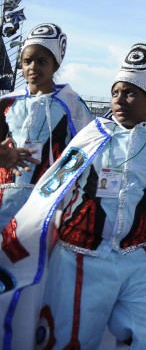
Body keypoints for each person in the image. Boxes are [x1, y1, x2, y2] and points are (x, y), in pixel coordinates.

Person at [1, 43, 146, 349]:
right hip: (79, 258)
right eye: (116, 92)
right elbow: (54, 186)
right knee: (71, 341)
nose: (119, 99)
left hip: (137, 258)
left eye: (130, 92)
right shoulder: (93, 133)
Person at [0, 23, 94, 227]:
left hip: (50, 199)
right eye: (27, 61)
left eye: (42, 61)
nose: (33, 67)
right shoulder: (7, 103)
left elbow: (88, 150)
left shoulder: (72, 104)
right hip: (5, 195)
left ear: (55, 65)